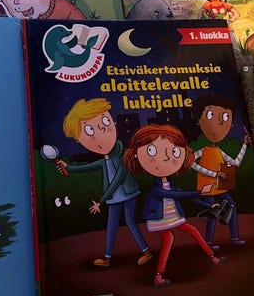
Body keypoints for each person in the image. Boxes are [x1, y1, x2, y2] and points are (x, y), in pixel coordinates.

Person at [124, 123, 225, 286]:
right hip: (159, 218)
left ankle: (213, 258)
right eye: (152, 151)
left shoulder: (169, 182)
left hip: (172, 215)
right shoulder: (157, 188)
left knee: (191, 230)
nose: (165, 158)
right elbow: (175, 195)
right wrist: (199, 192)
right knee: (169, 238)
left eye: (174, 152)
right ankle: (158, 276)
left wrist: (208, 206)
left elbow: (181, 195)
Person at [57, 97, 152, 267]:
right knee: (111, 224)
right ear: (79, 140)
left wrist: (101, 201)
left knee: (130, 221)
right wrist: (68, 167)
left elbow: (118, 179)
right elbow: (88, 167)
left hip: (128, 193)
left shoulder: (120, 155)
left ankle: (146, 251)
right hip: (114, 197)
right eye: (89, 130)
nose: (101, 129)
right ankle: (107, 258)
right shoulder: (105, 160)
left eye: (106, 121)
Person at [191, 93, 250, 251]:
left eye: (225, 117)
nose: (219, 123)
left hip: (220, 186)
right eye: (211, 115)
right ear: (199, 121)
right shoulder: (203, 150)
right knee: (213, 212)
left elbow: (235, 163)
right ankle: (208, 243)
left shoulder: (219, 151)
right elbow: (192, 164)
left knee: (232, 205)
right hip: (207, 187)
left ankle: (235, 238)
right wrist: (214, 174)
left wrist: (244, 145)